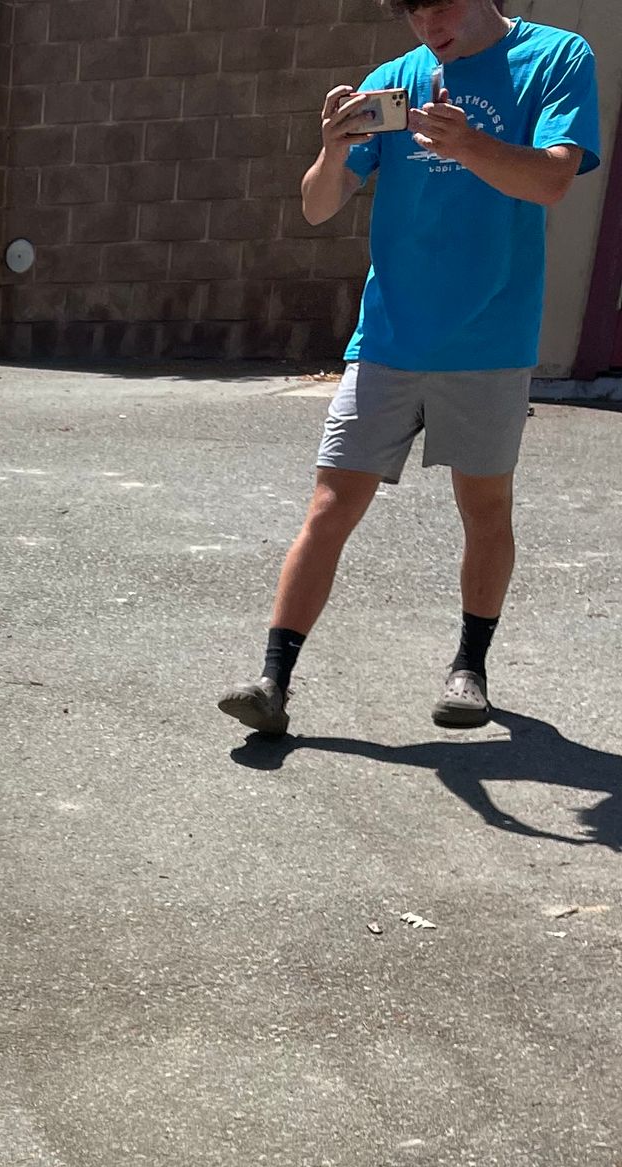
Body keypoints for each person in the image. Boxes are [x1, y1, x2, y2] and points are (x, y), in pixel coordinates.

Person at [219, 2, 603, 739]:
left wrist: (471, 146)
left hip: (489, 338)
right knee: (330, 505)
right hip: (388, 337)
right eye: (412, 10)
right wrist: (331, 151)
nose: (428, 23)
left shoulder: (556, 57)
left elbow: (553, 181)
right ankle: (272, 679)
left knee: (485, 509)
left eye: (441, 3)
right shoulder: (394, 80)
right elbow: (316, 206)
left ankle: (469, 669)